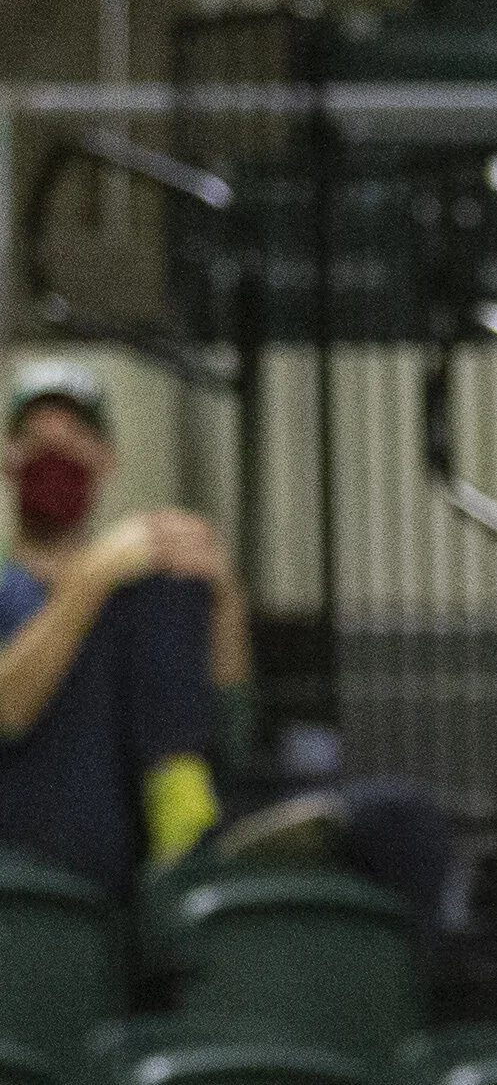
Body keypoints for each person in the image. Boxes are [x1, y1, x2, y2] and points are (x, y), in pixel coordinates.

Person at [0, 360, 248, 897]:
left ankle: (181, 830)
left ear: (106, 459)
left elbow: (234, 722)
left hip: (134, 848)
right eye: (38, 439)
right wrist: (90, 576)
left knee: (165, 585)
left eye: (75, 438)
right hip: (27, 844)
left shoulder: (141, 600)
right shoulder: (7, 588)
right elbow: (5, 711)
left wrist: (224, 592)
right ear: (8, 458)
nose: (56, 453)